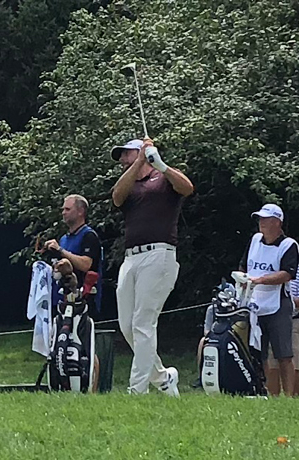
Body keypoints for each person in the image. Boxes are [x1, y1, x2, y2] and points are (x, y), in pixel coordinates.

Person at [111, 138, 194, 396]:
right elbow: (116, 197)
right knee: (127, 325)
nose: (124, 159)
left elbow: (187, 188)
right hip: (132, 258)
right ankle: (164, 378)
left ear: (143, 151)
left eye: (127, 153)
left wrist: (162, 165)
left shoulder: (163, 178)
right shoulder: (129, 184)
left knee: (143, 323)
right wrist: (137, 163)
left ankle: (137, 389)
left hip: (159, 255)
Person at [241, 203, 299, 397]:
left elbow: (287, 274)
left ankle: (290, 396)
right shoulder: (255, 240)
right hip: (254, 304)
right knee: (259, 353)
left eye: (265, 219)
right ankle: (268, 393)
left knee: (284, 354)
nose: (261, 223)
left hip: (278, 305)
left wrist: (260, 280)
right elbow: (244, 265)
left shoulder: (289, 245)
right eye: (260, 219)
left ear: (277, 222)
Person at [42, 194, 103, 310]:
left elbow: (86, 265)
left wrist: (61, 250)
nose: (63, 213)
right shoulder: (64, 239)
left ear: (80, 211)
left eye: (68, 209)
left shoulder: (89, 235)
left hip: (84, 300)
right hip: (63, 299)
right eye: (63, 209)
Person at [267, 262, 299, 396]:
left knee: (293, 361)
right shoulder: (268, 267)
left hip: (293, 320)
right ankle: (273, 398)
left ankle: (293, 398)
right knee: (271, 362)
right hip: (269, 319)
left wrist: (283, 302)